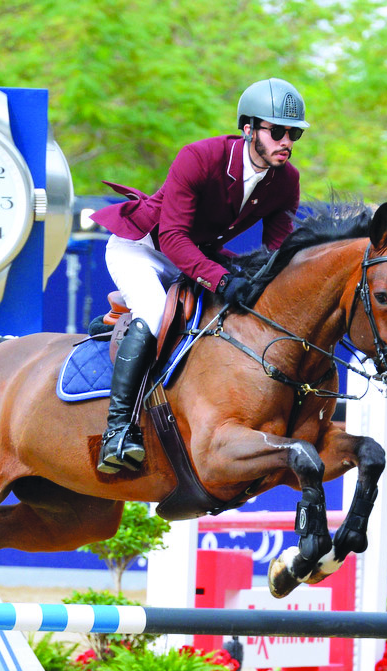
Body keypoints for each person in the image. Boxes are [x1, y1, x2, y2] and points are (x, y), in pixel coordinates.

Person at [89, 77, 309, 474]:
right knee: (155, 312)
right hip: (144, 247)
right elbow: (173, 237)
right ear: (248, 128)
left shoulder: (286, 180)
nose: (286, 141)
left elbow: (279, 249)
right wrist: (222, 281)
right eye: (277, 131)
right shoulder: (199, 157)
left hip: (197, 253)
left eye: (293, 133)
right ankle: (119, 431)